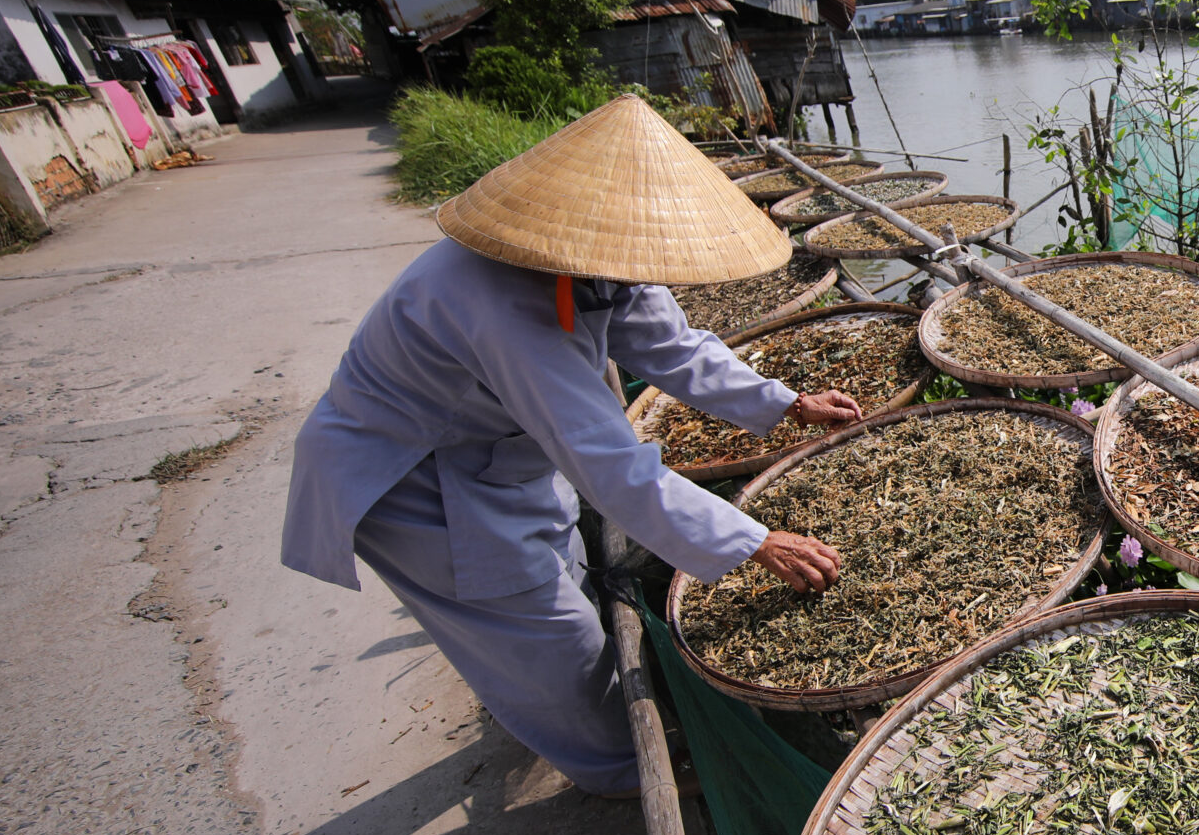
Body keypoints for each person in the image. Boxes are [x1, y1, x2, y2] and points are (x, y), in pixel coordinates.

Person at [282, 97, 856, 797]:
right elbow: (611, 466)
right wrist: (755, 541)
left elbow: (672, 348)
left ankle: (609, 732)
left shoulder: (601, 263)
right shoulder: (500, 302)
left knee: (565, 574)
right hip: (411, 477)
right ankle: (627, 774)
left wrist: (784, 402)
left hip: (491, 449)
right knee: (546, 639)